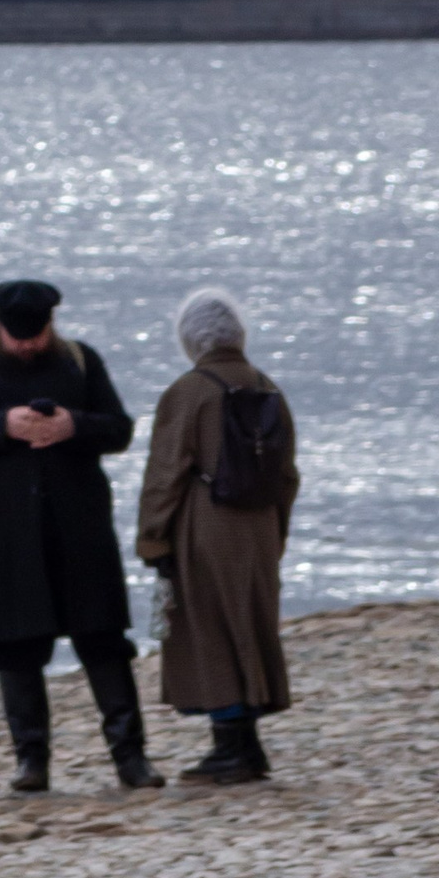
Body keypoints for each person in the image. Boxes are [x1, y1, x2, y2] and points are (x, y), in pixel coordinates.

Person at [0, 277, 163, 793]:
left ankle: (131, 758)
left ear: (52, 324)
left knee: (101, 639)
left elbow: (118, 429)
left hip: (78, 529)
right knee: (14, 644)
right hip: (3, 535)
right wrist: (1, 426)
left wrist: (73, 426)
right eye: (17, 336)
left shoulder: (81, 361)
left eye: (35, 334)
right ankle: (31, 761)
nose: (28, 344)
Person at [136, 287, 299, 785]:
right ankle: (248, 744)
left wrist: (152, 540)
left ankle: (231, 745)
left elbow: (166, 474)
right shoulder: (268, 387)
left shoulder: (189, 392)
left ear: (190, 339)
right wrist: (277, 532)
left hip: (205, 524)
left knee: (209, 629)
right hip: (259, 526)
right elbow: (287, 474)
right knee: (250, 624)